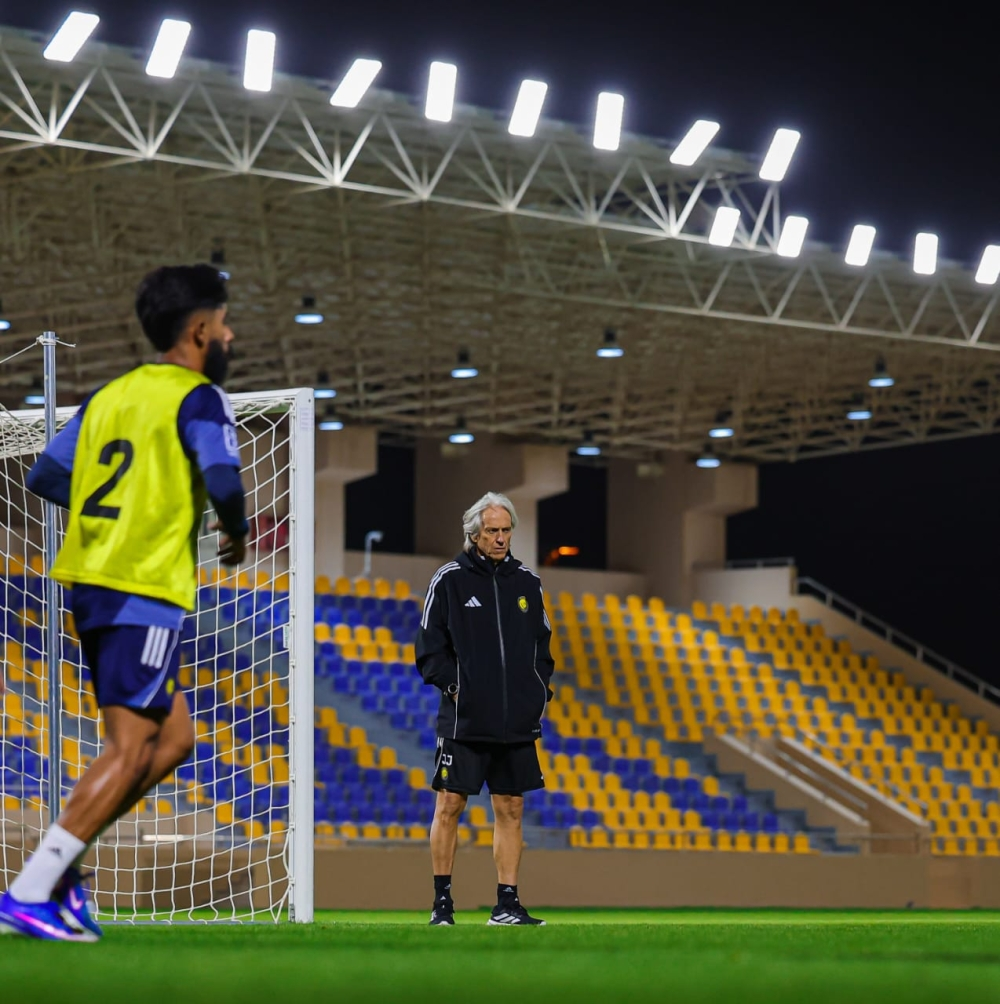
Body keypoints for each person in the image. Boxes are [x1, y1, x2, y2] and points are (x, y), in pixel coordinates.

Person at [0, 264, 247, 942]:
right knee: (133, 744)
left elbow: (48, 472)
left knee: (174, 740)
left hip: (92, 579)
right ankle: (28, 889)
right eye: (224, 325)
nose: (230, 335)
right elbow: (223, 478)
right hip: (142, 586)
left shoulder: (112, 394)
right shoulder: (197, 398)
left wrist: (112, 515)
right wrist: (235, 529)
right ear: (200, 332)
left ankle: (62, 873)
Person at [416, 491, 555, 926]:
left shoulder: (528, 583)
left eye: (505, 530)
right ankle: (442, 904)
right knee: (449, 806)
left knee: (511, 809)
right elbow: (429, 648)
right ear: (474, 534)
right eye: (492, 531)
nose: (499, 538)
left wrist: (538, 692)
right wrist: (456, 687)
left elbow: (543, 648)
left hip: (516, 721)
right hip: (465, 719)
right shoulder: (450, 580)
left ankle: (507, 904)